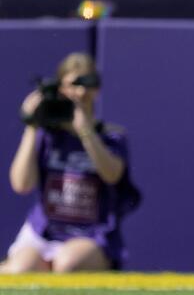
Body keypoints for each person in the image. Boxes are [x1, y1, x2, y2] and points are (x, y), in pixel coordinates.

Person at [2, 52, 138, 273]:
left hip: (90, 235)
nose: (80, 92)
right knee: (21, 269)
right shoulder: (47, 136)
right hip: (44, 232)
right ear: (61, 88)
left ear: (96, 88)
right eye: (73, 85)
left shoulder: (111, 137)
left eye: (86, 84)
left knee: (67, 264)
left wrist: (85, 131)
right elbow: (21, 184)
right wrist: (32, 125)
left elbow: (112, 174)